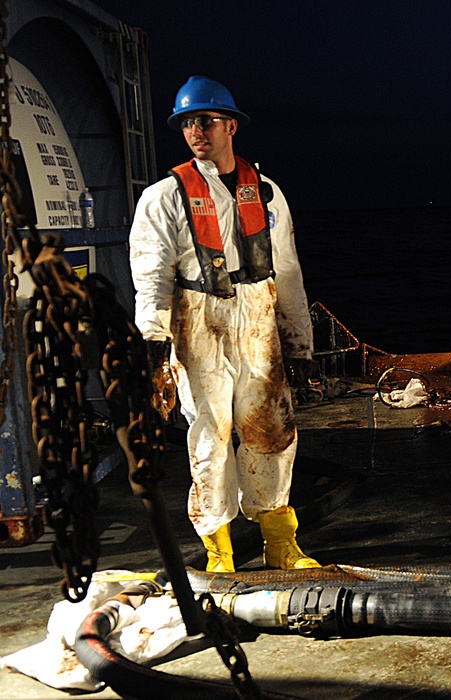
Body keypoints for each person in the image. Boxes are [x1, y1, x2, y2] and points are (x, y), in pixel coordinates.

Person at [129, 76, 320, 572]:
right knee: (209, 437)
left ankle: (281, 543)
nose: (196, 130)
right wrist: (154, 339)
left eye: (206, 120)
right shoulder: (164, 197)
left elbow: (288, 271)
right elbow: (151, 272)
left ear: (231, 126)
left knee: (272, 430)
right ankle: (220, 553)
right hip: (197, 323)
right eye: (187, 123)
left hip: (258, 318)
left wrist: (299, 343)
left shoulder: (268, 194)